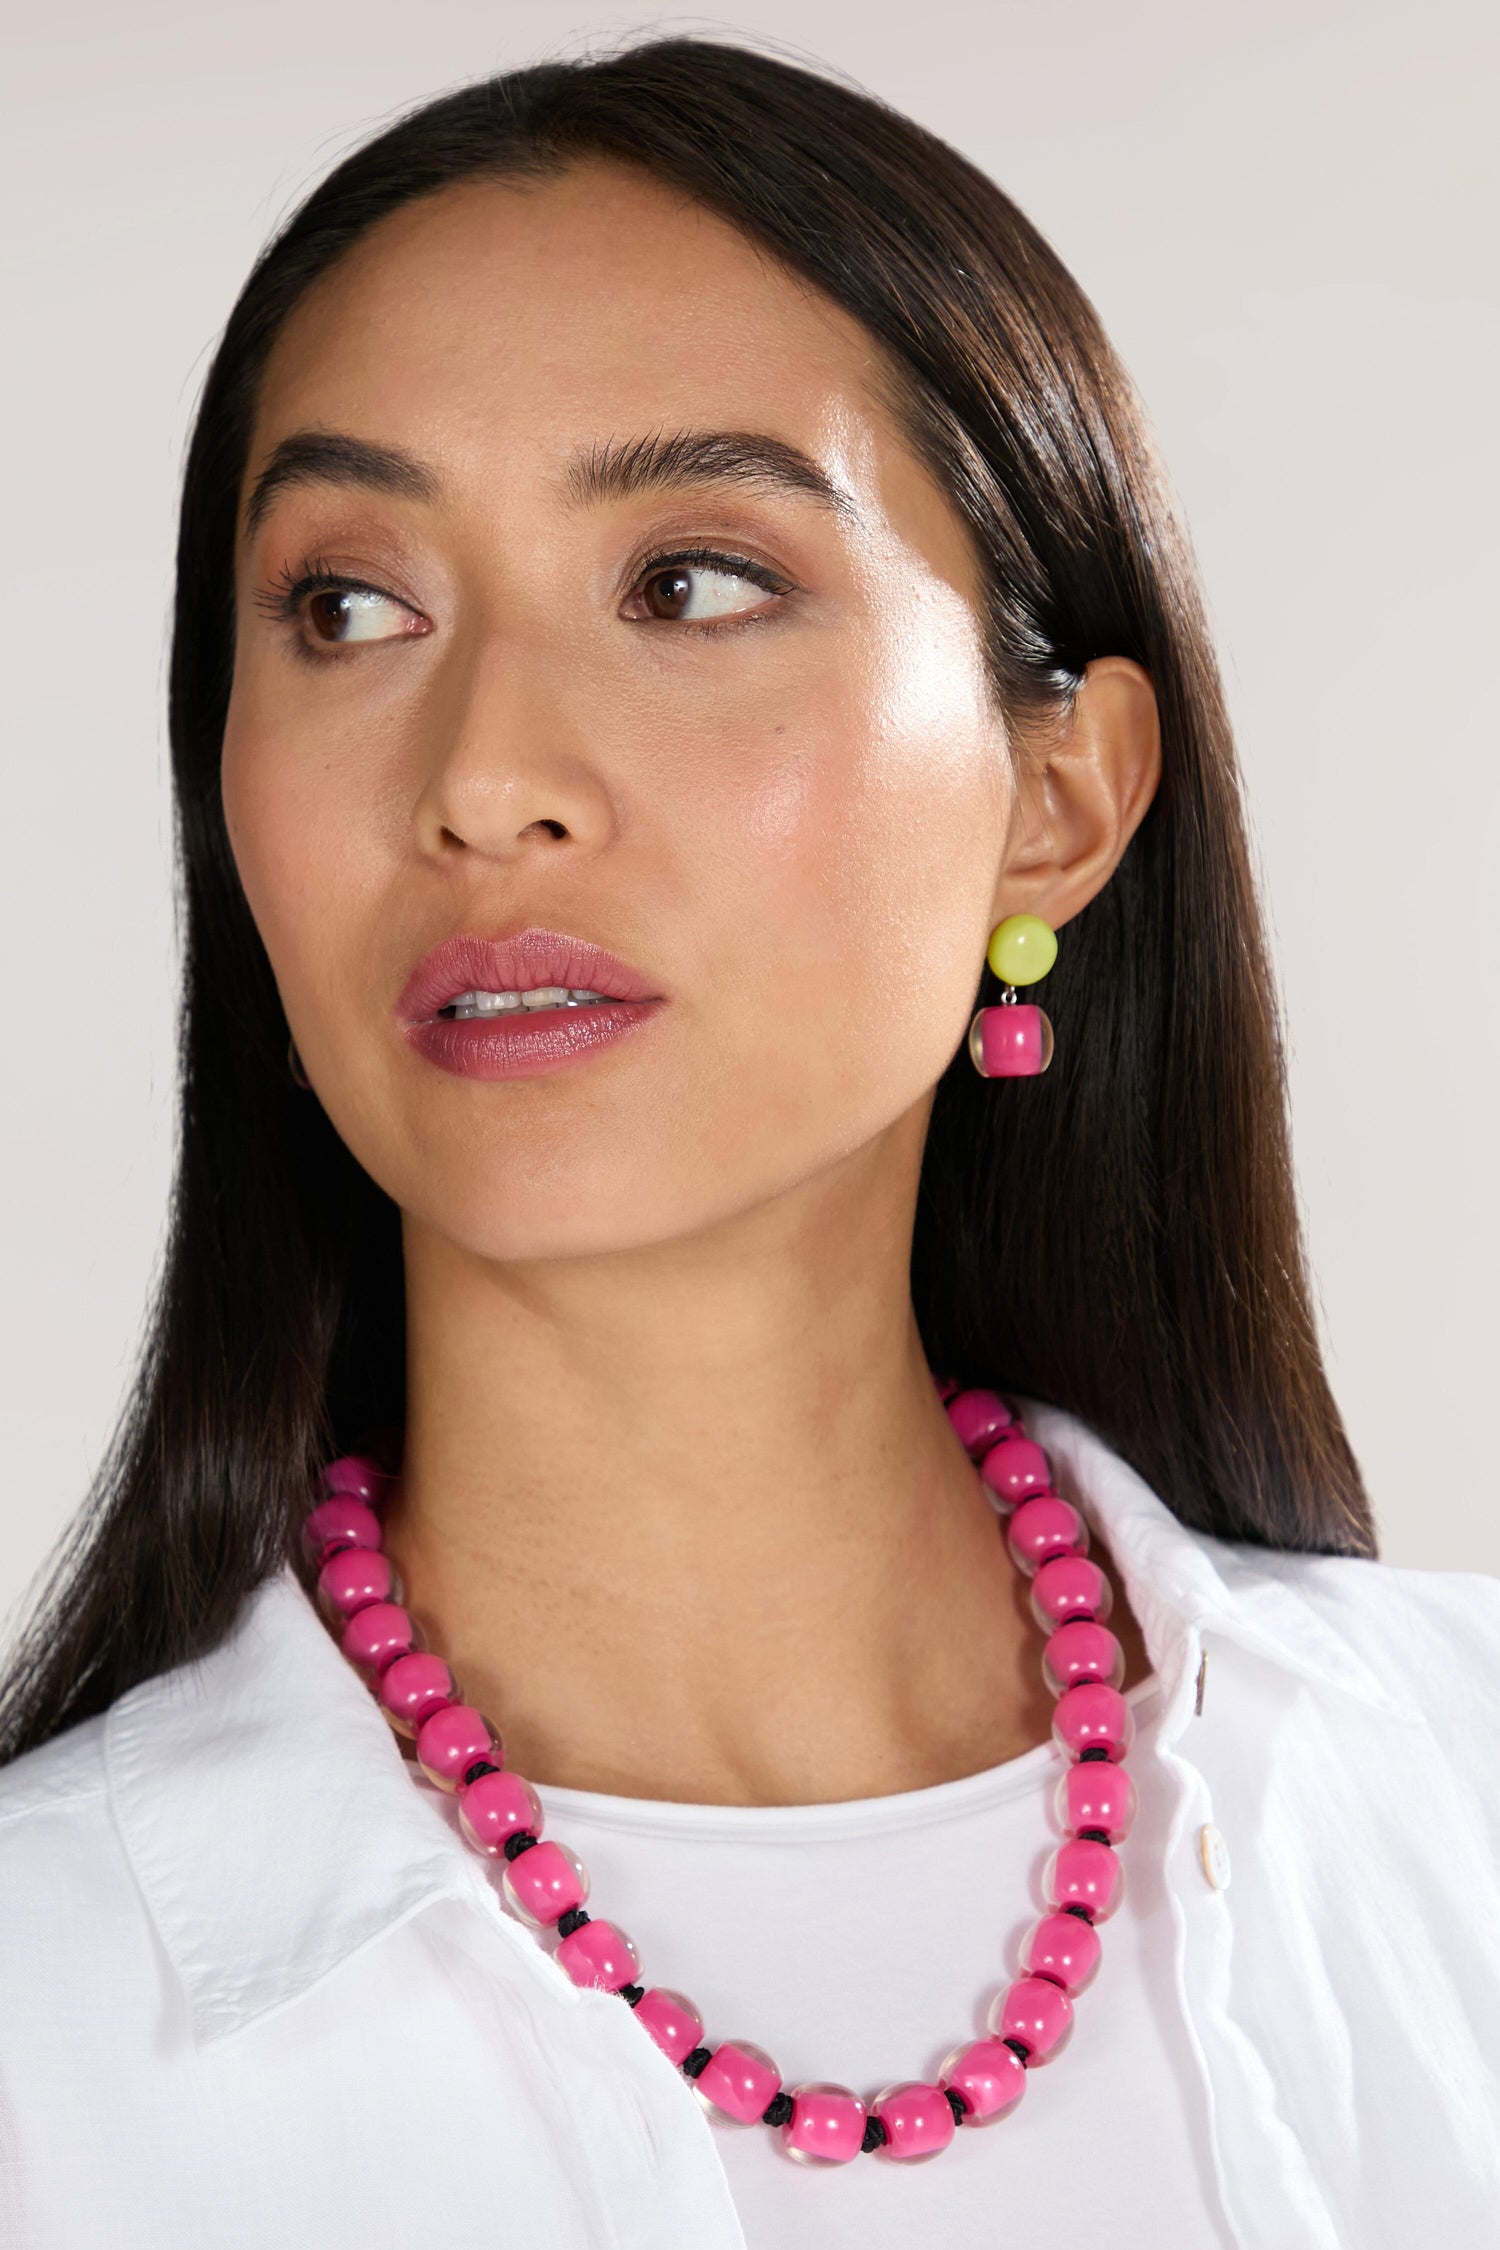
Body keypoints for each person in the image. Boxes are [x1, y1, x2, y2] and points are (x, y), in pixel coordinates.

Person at [0, 32, 1495, 2250]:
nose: (486, 775)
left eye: (691, 582)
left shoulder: (1459, 1807)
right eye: (348, 606)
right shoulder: (46, 2026)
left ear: (1060, 794)